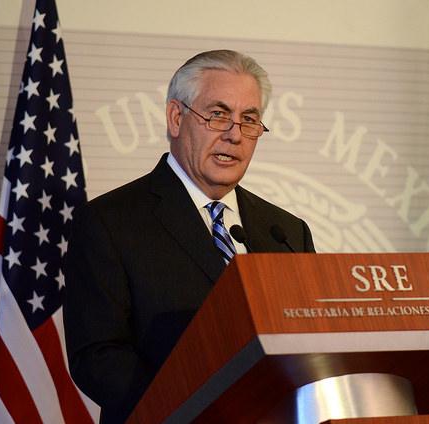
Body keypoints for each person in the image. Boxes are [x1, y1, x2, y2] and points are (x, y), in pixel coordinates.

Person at [63, 50, 315, 423]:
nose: (234, 135)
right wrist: (198, 408)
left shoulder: (287, 232)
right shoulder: (109, 222)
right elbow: (97, 356)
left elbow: (309, 341)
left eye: (249, 120)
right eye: (217, 115)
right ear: (176, 118)